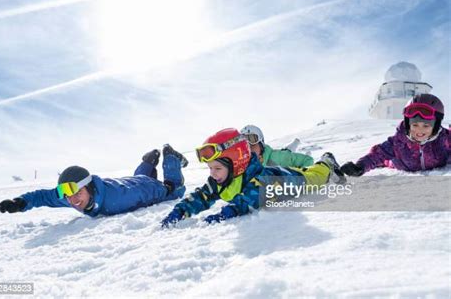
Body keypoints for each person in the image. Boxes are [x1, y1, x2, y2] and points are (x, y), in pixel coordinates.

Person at [161, 128, 345, 227]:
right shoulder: (220, 179)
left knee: (316, 178)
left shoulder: (259, 180)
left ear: (237, 163)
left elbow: (249, 199)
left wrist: (226, 214)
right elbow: (202, 196)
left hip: (292, 180)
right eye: (210, 168)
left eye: (217, 167)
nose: (212, 173)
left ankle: (326, 162)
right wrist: (180, 211)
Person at [0, 144, 188, 217]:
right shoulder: (72, 196)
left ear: (88, 187)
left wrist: (168, 191)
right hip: (130, 180)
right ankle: (148, 160)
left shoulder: (119, 200)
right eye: (68, 196)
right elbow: (44, 197)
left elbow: (145, 191)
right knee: (139, 176)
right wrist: (20, 202)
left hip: (141, 187)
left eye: (77, 193)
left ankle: (169, 155)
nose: (73, 201)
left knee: (173, 189)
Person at [341, 93, 450, 176]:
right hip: (398, 164)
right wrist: (360, 166)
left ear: (436, 126)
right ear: (408, 124)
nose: (419, 131)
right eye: (415, 125)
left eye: (426, 126)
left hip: (436, 163)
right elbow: (377, 154)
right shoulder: (398, 142)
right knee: (382, 161)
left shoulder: (444, 139)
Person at [241, 124, 313, 168]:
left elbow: (308, 160)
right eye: (243, 142)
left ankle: (294, 144)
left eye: (252, 139)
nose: (248, 146)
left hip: (284, 158)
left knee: (287, 154)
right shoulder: (242, 164)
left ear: (261, 143)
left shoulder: (275, 157)